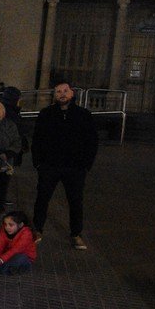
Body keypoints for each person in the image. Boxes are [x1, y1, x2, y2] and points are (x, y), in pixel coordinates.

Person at [30, 79, 99, 250]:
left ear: (72, 93)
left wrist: (85, 165)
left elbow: (92, 141)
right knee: (42, 199)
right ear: (54, 95)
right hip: (49, 166)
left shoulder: (83, 115)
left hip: (74, 168)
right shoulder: (46, 114)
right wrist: (38, 163)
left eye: (65, 91)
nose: (62, 94)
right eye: (58, 91)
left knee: (75, 202)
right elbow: (37, 139)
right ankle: (37, 230)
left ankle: (76, 234)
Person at [0, 210, 38, 274]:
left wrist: (0, 260)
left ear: (20, 225)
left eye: (11, 225)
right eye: (5, 224)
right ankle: (2, 266)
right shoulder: (4, 229)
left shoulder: (27, 233)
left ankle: (4, 267)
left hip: (25, 256)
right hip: (9, 253)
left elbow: (16, 249)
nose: (7, 227)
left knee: (19, 258)